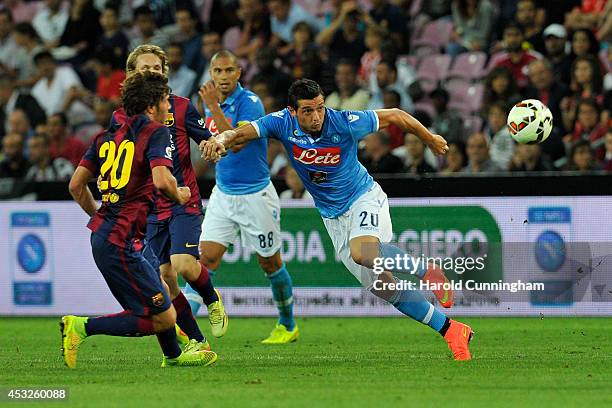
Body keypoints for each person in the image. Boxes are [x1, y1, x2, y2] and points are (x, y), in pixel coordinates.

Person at [202, 79, 474, 360]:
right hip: (333, 217)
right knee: (385, 288)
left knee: (363, 252)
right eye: (308, 111)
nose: (317, 116)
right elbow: (239, 134)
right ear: (292, 111)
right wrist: (219, 140)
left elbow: (396, 115)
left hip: (363, 197)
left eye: (320, 108)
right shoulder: (280, 123)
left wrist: (429, 139)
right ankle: (451, 330)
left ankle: (428, 272)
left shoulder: (344, 121)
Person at [61, 72, 218, 368]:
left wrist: (99, 217)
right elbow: (162, 181)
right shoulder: (155, 132)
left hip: (111, 236)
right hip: (119, 242)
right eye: (164, 101)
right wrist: (180, 195)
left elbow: (75, 186)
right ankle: (80, 327)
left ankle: (173, 356)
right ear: (150, 106)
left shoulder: (104, 137)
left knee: (161, 293)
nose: (168, 107)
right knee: (163, 316)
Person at [110, 44, 228, 344]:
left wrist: (213, 145)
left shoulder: (181, 106)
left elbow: (207, 139)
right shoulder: (120, 117)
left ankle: (212, 298)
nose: (150, 72)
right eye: (143, 68)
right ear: (131, 74)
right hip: (147, 209)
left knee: (184, 264)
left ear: (164, 73)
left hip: (181, 200)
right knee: (166, 282)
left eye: (155, 68)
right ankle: (197, 341)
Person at [185, 50, 299, 344]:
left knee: (270, 264)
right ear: (211, 73)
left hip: (255, 196)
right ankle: (184, 329)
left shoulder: (250, 103)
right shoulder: (207, 103)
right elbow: (211, 143)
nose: (222, 77)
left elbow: (236, 144)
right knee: (204, 259)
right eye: (217, 71)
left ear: (239, 73)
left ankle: (287, 325)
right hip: (223, 194)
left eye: (228, 71)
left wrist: (212, 105)